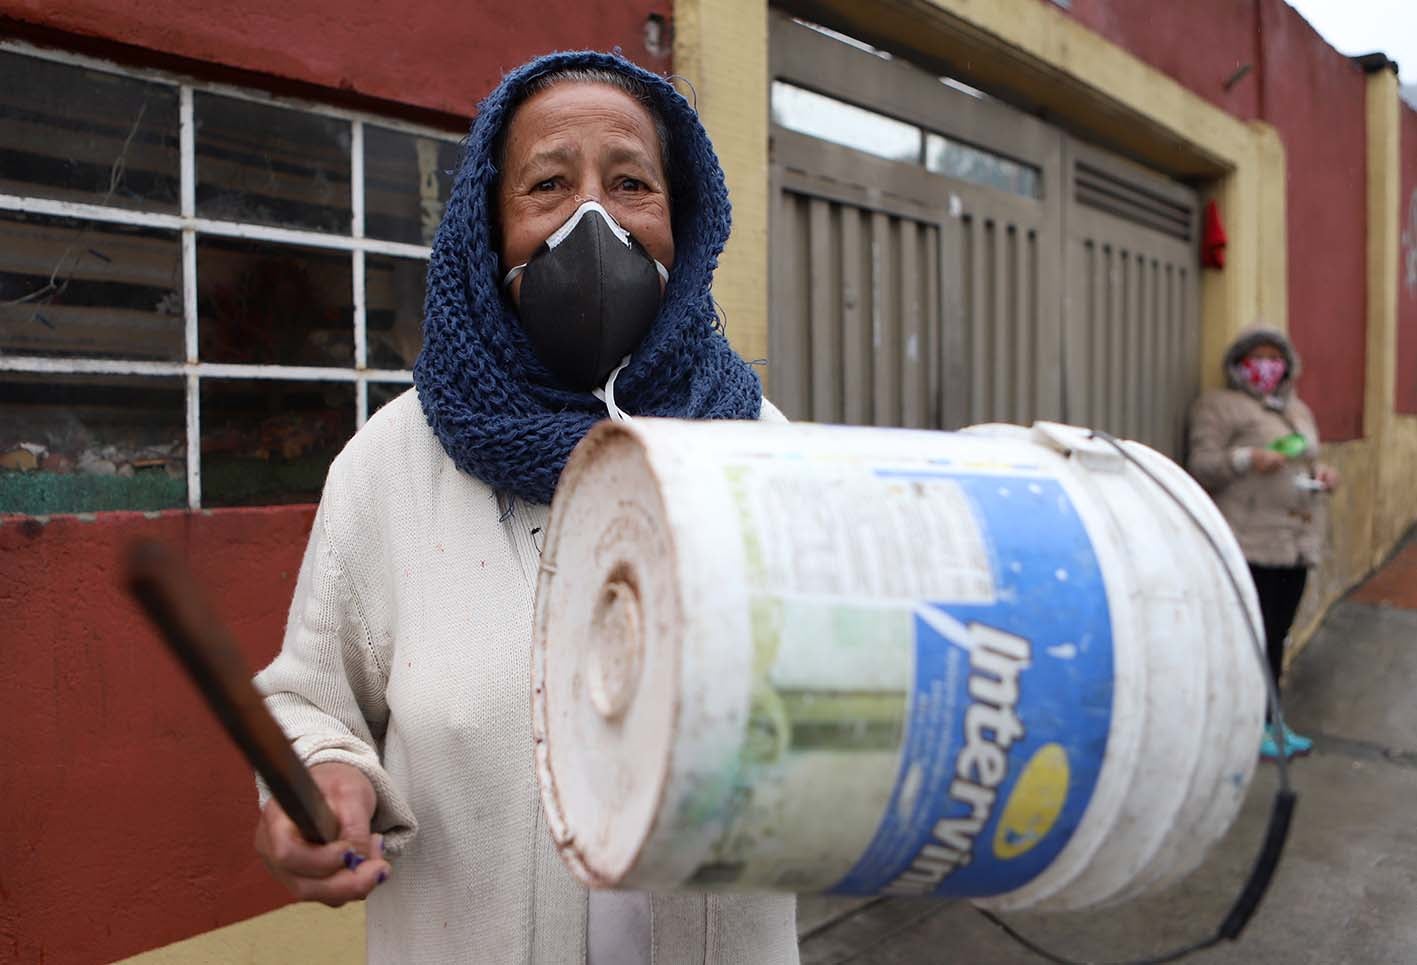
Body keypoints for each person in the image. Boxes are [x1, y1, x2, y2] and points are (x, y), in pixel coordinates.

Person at [250, 51, 799, 963]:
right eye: (547, 184)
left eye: (631, 182)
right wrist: (322, 776)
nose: (594, 219)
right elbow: (312, 705)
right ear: (487, 227)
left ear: (682, 221)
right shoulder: (392, 464)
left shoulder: (762, 451)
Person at [1187, 327, 1338, 761]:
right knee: (1251, 636)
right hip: (1251, 540)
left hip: (1296, 542)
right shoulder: (1218, 406)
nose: (1267, 365)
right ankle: (1245, 725)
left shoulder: (1297, 410)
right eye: (1257, 357)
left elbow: (1309, 458)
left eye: (1275, 357)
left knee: (1277, 635)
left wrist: (1325, 474)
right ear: (1238, 364)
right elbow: (1203, 465)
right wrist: (1248, 459)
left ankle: (1271, 722)